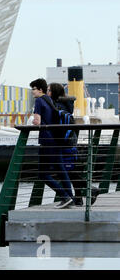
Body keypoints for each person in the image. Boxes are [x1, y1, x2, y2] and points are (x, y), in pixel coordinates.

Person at [47, 82, 101, 206]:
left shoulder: (58, 106)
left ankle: (92, 189)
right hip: (70, 141)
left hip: (64, 142)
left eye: (49, 90)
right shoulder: (65, 105)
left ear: (54, 92)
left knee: (68, 170)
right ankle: (78, 198)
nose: (47, 92)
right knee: (71, 169)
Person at [30, 78, 75, 209]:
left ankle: (65, 197)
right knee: (61, 170)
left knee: (42, 174)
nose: (32, 91)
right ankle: (70, 198)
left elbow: (37, 121)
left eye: (33, 89)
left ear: (40, 89)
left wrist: (33, 121)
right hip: (55, 140)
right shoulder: (49, 100)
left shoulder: (39, 100)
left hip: (46, 140)